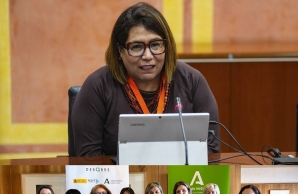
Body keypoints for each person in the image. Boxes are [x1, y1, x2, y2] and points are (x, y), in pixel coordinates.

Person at [71, 2, 219, 156]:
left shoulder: (192, 81)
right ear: (120, 51)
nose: (148, 56)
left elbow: (211, 151)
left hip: (180, 179)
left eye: (156, 45)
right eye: (136, 47)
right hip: (120, 179)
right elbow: (88, 160)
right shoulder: (97, 87)